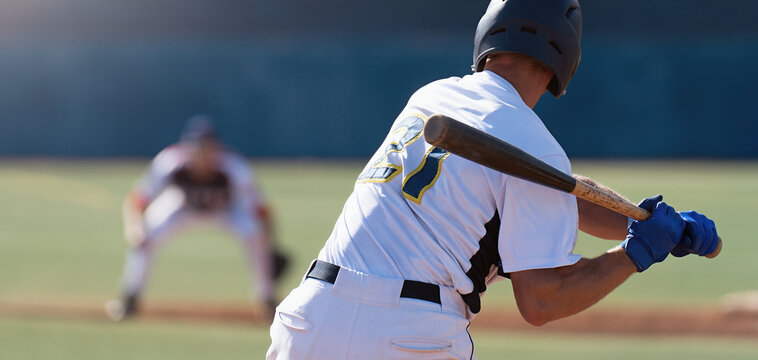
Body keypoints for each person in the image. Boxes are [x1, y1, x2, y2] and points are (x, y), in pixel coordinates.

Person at [267, 1, 720, 358]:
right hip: (409, 338)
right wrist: (635, 252)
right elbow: (542, 300)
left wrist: (655, 226)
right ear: (565, 59)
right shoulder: (534, 145)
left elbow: (558, 189)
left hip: (309, 320)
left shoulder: (433, 95)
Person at [106, 116, 288, 321]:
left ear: (216, 148)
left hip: (225, 210)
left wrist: (270, 243)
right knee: (145, 237)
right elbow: (137, 199)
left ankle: (266, 300)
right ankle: (129, 298)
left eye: (207, 147)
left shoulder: (234, 167)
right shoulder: (170, 162)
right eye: (196, 147)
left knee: (255, 234)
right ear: (187, 148)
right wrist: (133, 227)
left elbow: (261, 210)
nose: (201, 153)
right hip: (182, 206)